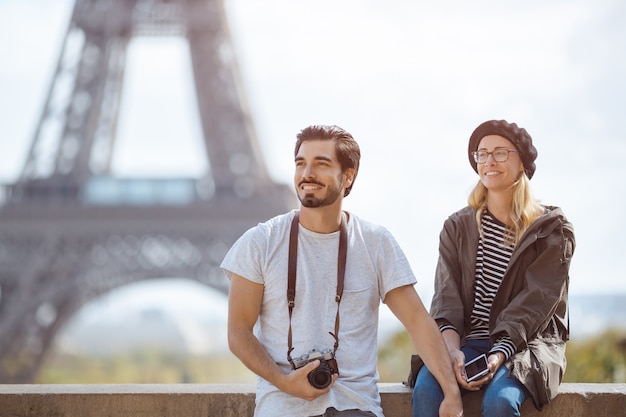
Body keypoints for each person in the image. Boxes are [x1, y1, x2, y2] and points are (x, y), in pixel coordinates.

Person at [223, 124, 463, 417]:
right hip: (282, 408)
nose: (307, 173)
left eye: (321, 164)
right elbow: (238, 332)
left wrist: (451, 393)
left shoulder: (376, 242)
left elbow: (417, 321)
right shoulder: (260, 242)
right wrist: (285, 383)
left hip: (356, 407)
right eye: (301, 163)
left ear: (348, 176)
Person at [411, 120, 575, 417]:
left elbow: (535, 304)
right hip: (468, 343)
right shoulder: (457, 226)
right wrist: (452, 352)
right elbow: (445, 298)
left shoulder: (552, 231)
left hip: (528, 345)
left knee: (499, 402)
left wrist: (499, 353)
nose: (489, 161)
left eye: (500, 153)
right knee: (426, 392)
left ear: (522, 161)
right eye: (482, 154)